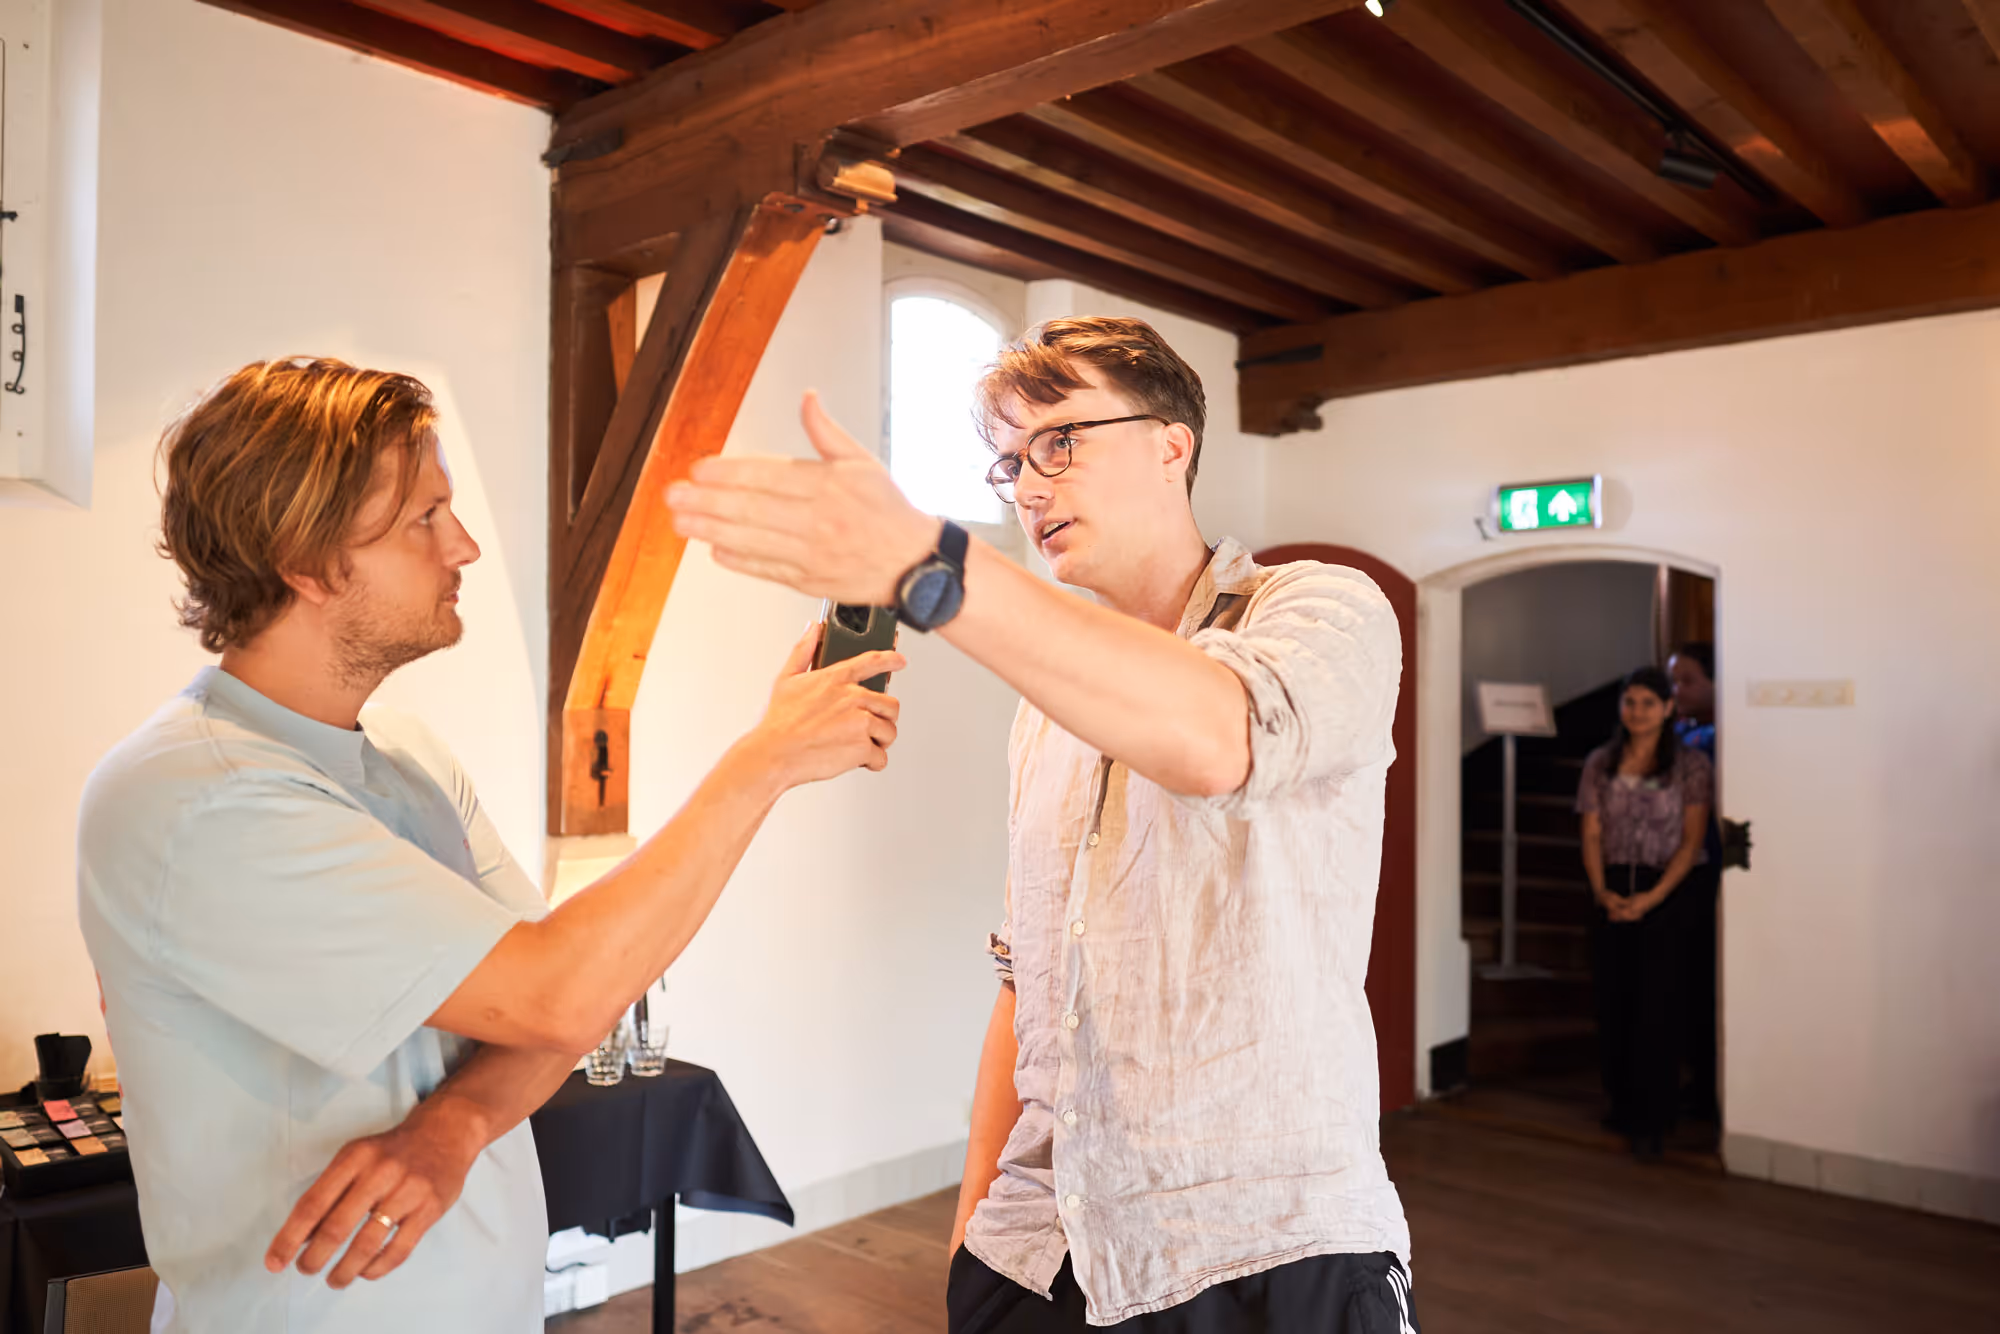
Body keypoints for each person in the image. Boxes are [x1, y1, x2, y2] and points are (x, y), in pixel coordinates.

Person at [77, 358, 904, 1333]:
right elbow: (557, 988)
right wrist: (759, 763)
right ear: (307, 561)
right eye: (424, 517)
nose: (463, 544)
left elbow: (563, 1010)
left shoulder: (406, 759)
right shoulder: (197, 796)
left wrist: (456, 1120)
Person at [667, 317, 1418, 1333]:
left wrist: (930, 566)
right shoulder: (1043, 708)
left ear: (1170, 442)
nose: (1025, 487)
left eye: (1058, 442)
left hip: (1265, 1248)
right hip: (1035, 1251)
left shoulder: (1322, 608)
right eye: (1008, 462)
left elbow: (1218, 737)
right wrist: (975, 1222)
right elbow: (1027, 979)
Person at [1576, 664, 1713, 1162]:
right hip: (1612, 886)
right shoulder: (1599, 762)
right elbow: (1591, 832)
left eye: (1649, 703)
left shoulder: (1692, 766)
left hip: (1670, 893)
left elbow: (1693, 838)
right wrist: (1602, 892)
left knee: (1658, 1008)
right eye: (1630, 702)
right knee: (1614, 1002)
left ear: (1669, 708)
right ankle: (1620, 1102)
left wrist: (1650, 900)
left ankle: (1652, 1118)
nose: (1637, 712)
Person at [1667, 643, 1721, 1124]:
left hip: (1707, 872)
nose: (1676, 690)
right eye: (1673, 681)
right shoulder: (1679, 732)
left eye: (1687, 680)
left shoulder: (1715, 740)